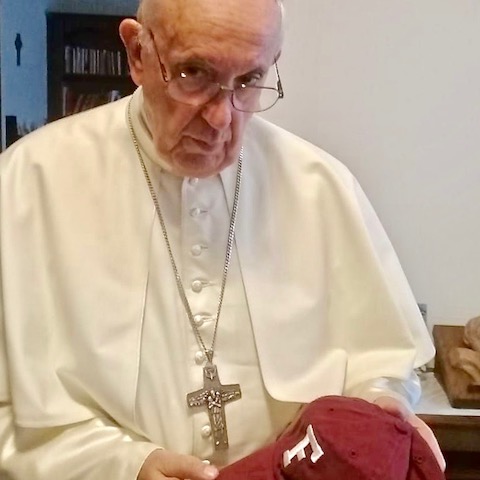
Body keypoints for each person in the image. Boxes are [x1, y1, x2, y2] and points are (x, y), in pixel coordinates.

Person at [0, 0, 444, 479]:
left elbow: (379, 362)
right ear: (137, 54)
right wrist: (126, 466)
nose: (220, 117)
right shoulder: (28, 183)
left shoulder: (320, 185)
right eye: (194, 73)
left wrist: (381, 402)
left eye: (250, 81)